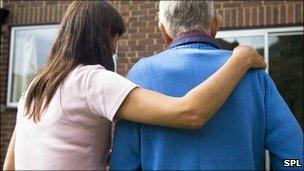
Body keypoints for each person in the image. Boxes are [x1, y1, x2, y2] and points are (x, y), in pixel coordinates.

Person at [3, 1, 266, 170]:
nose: (115, 49)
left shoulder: (35, 87)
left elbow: (10, 165)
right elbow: (189, 112)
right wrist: (239, 59)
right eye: (115, 38)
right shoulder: (92, 80)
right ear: (103, 34)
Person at [110, 1, 303, 170]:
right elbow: (294, 157)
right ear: (215, 24)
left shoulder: (141, 75)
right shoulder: (253, 74)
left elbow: (123, 164)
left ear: (163, 30)